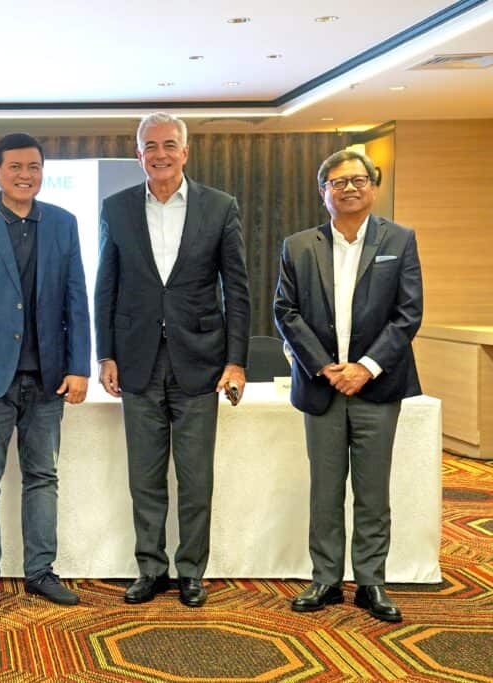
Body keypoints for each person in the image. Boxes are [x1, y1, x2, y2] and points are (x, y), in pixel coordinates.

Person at [93, 112, 250, 608]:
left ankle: (191, 572)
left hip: (200, 363)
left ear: (185, 151)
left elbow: (237, 290)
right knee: (145, 476)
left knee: (195, 477)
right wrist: (106, 354)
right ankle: (149, 568)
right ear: (138, 154)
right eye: (149, 146)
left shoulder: (220, 207)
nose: (159, 154)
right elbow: (106, 286)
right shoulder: (116, 208)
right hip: (137, 362)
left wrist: (236, 361)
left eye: (169, 145)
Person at [0, 132, 91, 612]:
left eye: (34, 167)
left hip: (48, 378)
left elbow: (76, 298)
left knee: (42, 476)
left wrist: (79, 366)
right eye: (15, 167)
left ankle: (40, 572)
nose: (25, 175)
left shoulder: (64, 223)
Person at [275, 149, 422, 623]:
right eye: (338, 182)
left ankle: (372, 582)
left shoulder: (400, 239)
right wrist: (324, 366)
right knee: (325, 489)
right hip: (322, 388)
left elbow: (407, 314)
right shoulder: (298, 246)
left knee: (373, 491)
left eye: (359, 179)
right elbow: (286, 312)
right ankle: (325, 579)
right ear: (324, 192)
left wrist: (366, 366)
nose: (350, 188)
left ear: (373, 186)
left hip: (377, 387)